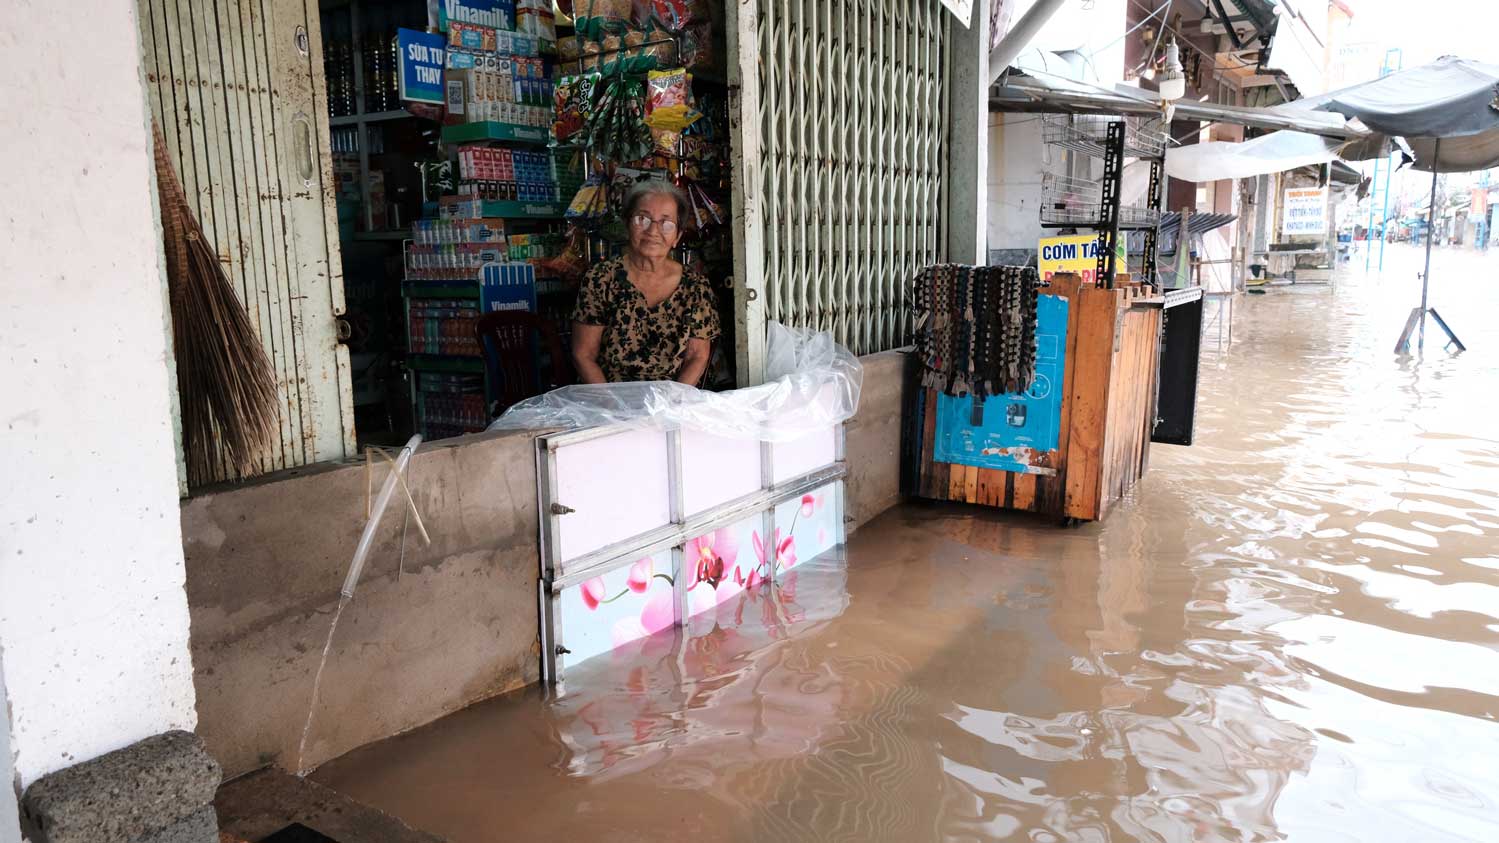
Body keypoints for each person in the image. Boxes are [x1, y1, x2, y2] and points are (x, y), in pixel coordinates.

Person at [571, 180, 720, 385]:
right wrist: (614, 408)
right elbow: (584, 355)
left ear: (677, 236)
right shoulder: (600, 279)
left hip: (671, 402)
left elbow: (697, 356)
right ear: (627, 224)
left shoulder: (695, 287)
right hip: (608, 400)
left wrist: (669, 406)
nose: (653, 231)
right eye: (643, 219)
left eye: (666, 223)